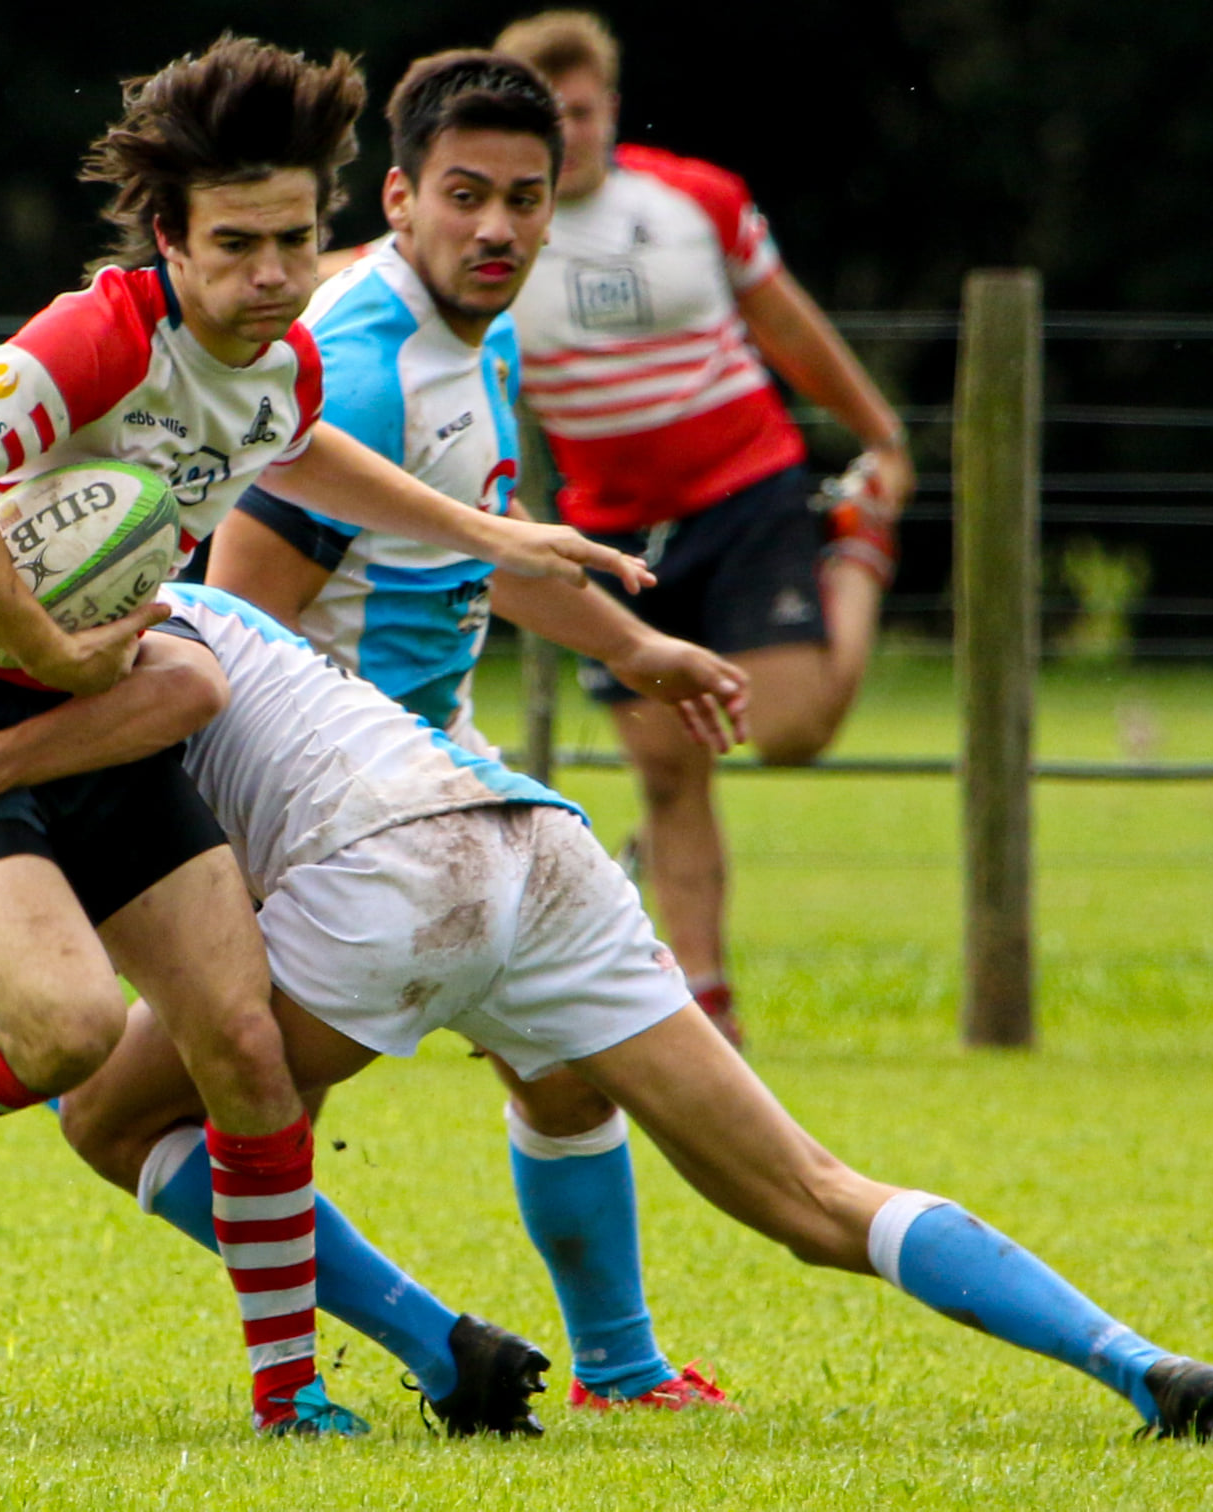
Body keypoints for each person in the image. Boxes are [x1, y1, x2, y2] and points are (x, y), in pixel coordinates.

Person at [0, 582, 1213, 1445]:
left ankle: (433, 1349)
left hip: (383, 877)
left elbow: (137, 983)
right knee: (811, 1195)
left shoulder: (99, 666)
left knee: (114, 1116)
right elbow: (126, 953)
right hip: (534, 842)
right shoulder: (218, 603)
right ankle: (1139, 1367)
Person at [0, 34, 648, 1436]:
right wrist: (39, 639)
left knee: (246, 1049)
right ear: (171, 237)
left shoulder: (285, 360)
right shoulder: (97, 336)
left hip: (106, 716)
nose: (273, 276)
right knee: (77, 1028)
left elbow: (303, 442)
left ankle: (289, 1393)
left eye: (294, 239)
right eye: (236, 245)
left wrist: (487, 530)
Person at [211, 51, 744, 1409]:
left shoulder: (483, 333)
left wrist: (635, 646)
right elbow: (229, 623)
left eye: (524, 199)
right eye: (467, 197)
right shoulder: (363, 368)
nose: (498, 228)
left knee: (564, 1070)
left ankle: (617, 1370)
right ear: (399, 198)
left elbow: (465, 552)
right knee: (206, 1097)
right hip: (324, 800)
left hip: (433, 773)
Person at [489, 11, 914, 1049]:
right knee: (669, 772)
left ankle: (856, 546)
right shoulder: (494, 234)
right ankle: (707, 1005)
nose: (569, 133)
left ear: (609, 109)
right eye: (547, 116)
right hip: (614, 533)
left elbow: (785, 324)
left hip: (746, 488)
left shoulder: (694, 200)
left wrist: (878, 433)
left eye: (582, 111)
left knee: (794, 729)